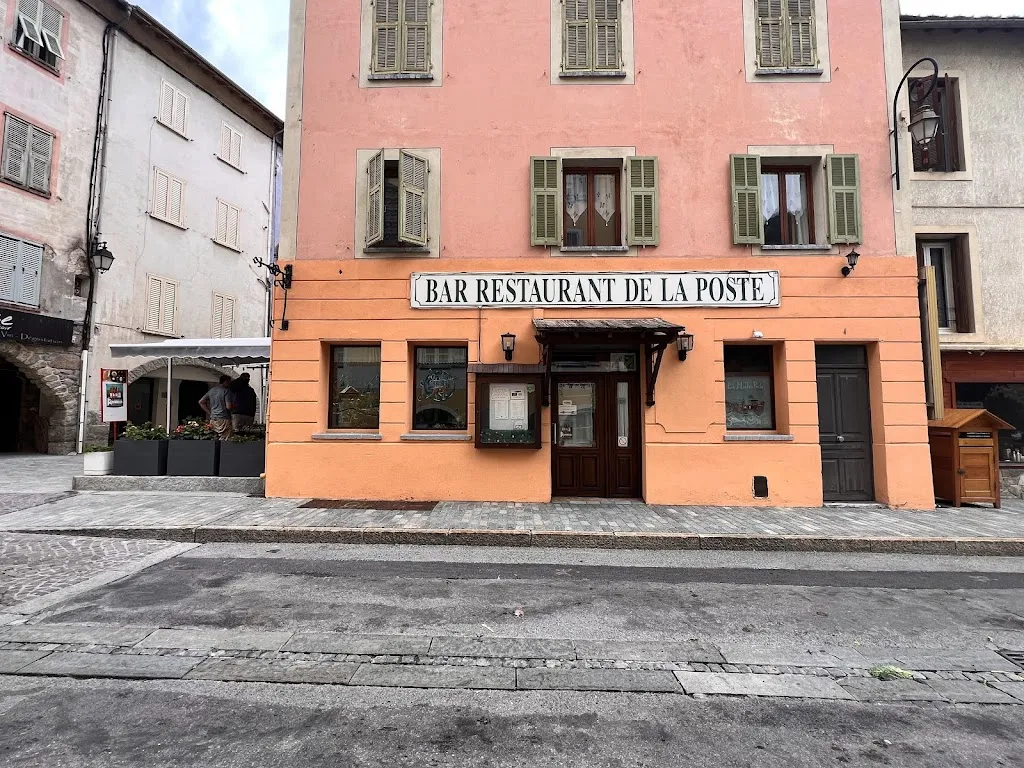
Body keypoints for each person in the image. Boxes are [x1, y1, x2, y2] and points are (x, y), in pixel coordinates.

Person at [199, 375, 234, 440]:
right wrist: (235, 406)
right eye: (229, 382)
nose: (230, 384)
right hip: (224, 418)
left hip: (213, 418)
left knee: (214, 438)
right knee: (225, 439)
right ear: (226, 381)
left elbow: (201, 402)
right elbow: (228, 407)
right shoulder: (226, 391)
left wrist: (210, 413)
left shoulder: (212, 390)